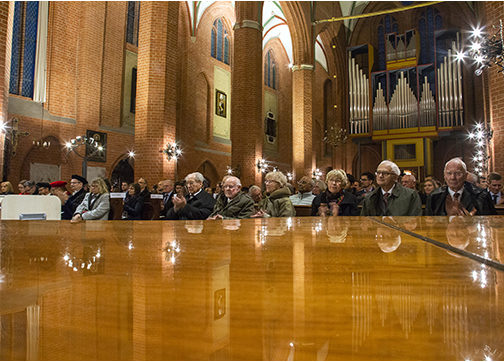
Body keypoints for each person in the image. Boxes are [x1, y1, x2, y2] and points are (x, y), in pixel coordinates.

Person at [425, 158, 497, 216]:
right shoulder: (434, 196)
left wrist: (473, 222)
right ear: (444, 176)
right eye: (449, 173)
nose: (452, 177)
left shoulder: (481, 195)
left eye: (458, 174)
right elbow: (429, 224)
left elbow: (492, 223)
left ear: (465, 176)